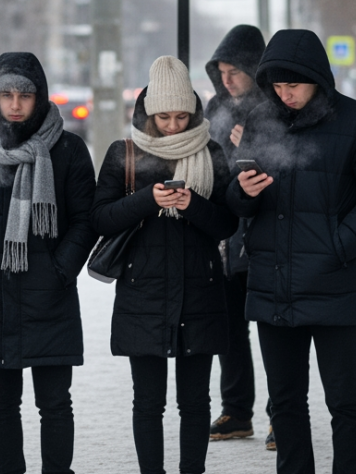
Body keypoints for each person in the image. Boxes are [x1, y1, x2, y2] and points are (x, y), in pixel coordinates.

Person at [228, 29, 356, 474]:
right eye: (277, 86)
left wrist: (338, 246)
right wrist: (243, 193)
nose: (285, 95)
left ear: (317, 79)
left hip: (333, 283)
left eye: (294, 85)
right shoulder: (261, 121)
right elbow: (237, 197)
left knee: (344, 401)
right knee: (284, 402)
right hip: (272, 283)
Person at [0, 52, 97, 474]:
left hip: (51, 296)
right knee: (1, 403)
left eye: (24, 95)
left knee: (55, 402)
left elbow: (85, 220)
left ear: (39, 97)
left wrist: (61, 268)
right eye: (5, 94)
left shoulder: (67, 149)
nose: (14, 104)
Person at [92, 56, 239, 474]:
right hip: (144, 292)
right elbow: (99, 218)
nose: (173, 126)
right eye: (164, 117)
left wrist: (193, 204)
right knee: (148, 402)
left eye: (181, 116)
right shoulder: (125, 154)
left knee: (196, 402)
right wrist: (146, 200)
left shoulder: (211, 153)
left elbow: (228, 223)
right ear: (148, 113)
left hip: (201, 291)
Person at [202, 25, 272, 447]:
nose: (227, 80)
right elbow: (209, 160)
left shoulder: (274, 106)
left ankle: (279, 415)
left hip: (262, 233)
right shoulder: (215, 107)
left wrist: (252, 145)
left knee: (270, 329)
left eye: (235, 71)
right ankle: (236, 411)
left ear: (254, 69)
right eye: (222, 71)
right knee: (228, 328)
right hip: (223, 233)